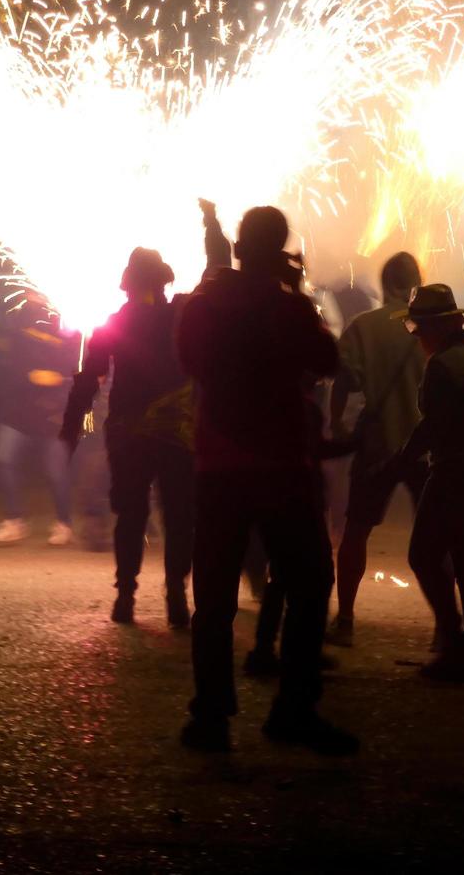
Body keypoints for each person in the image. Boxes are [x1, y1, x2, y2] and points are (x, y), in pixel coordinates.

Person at [175, 204, 357, 756]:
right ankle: (293, 708)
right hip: (279, 465)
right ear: (279, 248)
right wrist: (297, 292)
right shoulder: (287, 308)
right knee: (308, 583)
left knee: (213, 595)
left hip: (217, 464)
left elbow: (189, 365)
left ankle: (210, 715)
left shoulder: (199, 305)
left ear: (237, 248)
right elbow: (327, 359)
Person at [382, 285, 464, 682]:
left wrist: (399, 461)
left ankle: (455, 640)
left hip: (459, 472)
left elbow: (433, 425)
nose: (416, 337)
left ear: (438, 327)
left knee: (423, 555)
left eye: (418, 329)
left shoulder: (442, 365)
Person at [61, 248, 195, 628]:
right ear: (163, 282)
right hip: (176, 434)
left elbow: (89, 378)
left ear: (128, 286)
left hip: (129, 433)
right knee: (180, 516)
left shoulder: (114, 324)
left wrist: (72, 426)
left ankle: (125, 597)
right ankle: (176, 598)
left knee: (130, 515)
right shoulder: (181, 318)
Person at [326, 252, 425, 647]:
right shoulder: (432, 325)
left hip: (378, 444)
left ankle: (346, 619)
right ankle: (448, 626)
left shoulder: (363, 326)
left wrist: (336, 423)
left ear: (384, 286)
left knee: (356, 532)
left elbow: (344, 380)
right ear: (416, 284)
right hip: (424, 445)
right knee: (436, 535)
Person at [0, 303, 80, 546]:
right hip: (19, 416)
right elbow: (8, 370)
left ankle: (64, 523)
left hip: (52, 418)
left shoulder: (64, 340)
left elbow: (76, 373)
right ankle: (15, 520)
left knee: (56, 472)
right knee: (2, 458)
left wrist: (59, 378)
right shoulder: (17, 340)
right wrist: (30, 376)